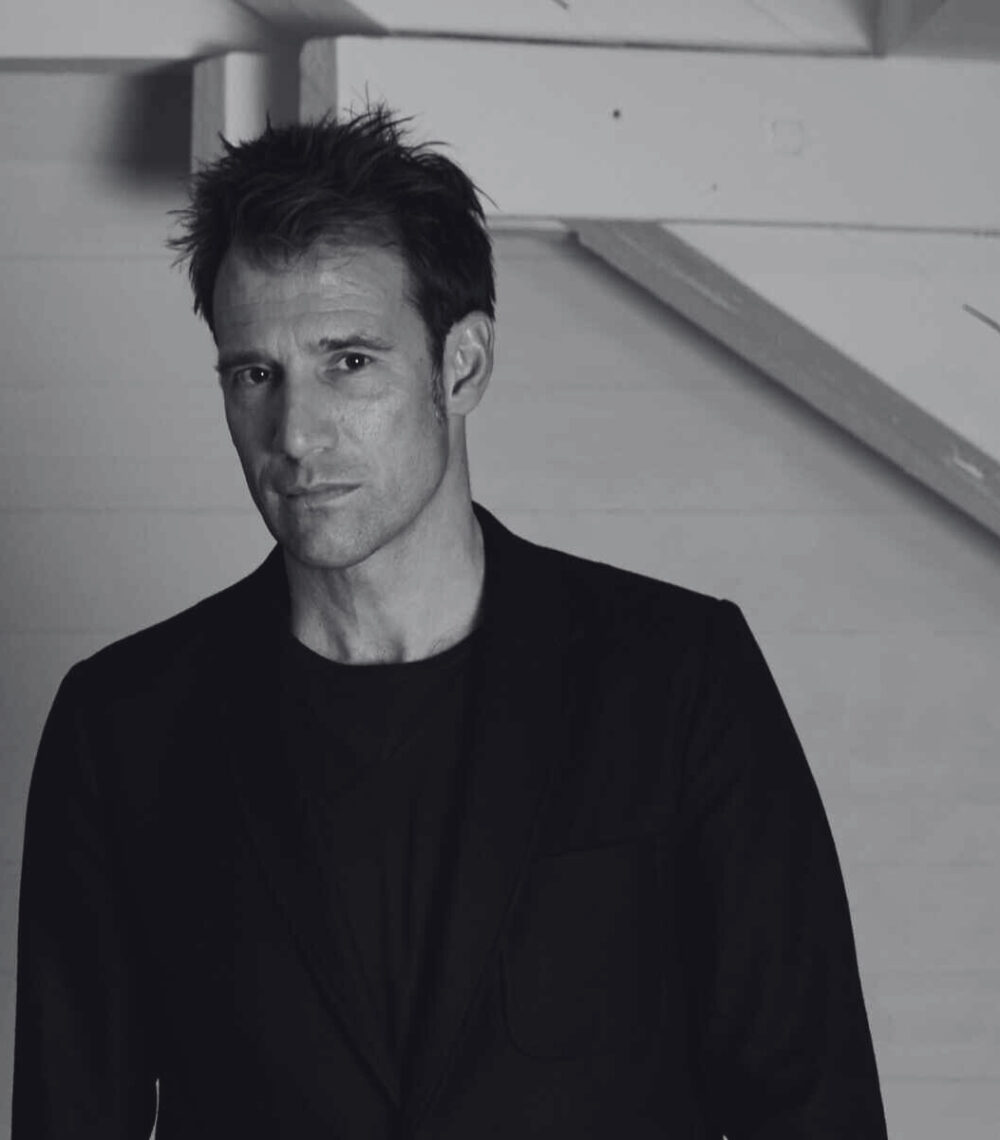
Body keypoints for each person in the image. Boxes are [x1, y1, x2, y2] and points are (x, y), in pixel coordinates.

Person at [12, 105, 889, 1139]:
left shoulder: (679, 678)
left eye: (349, 362)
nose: (295, 434)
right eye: (255, 374)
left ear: (461, 366)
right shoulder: (122, 726)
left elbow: (814, 1107)